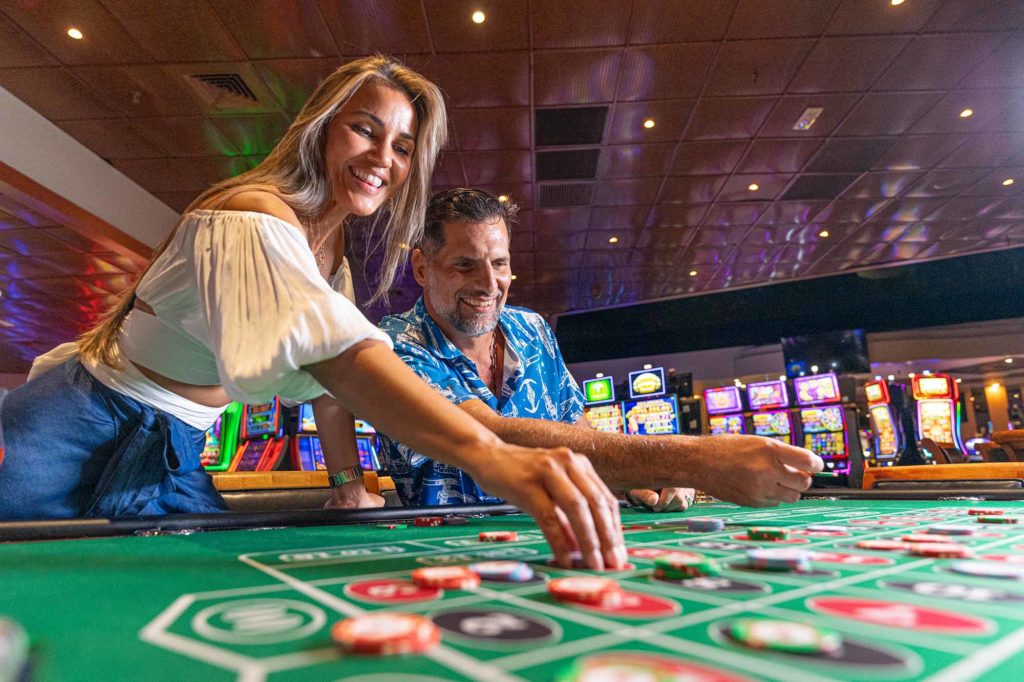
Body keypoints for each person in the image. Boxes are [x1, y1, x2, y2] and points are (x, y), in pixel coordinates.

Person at [0, 56, 626, 571]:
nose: (384, 157)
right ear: (321, 126)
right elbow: (346, 359)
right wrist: (493, 457)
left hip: (179, 446)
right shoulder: (250, 213)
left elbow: (331, 388)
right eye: (365, 129)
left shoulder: (330, 253)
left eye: (402, 145)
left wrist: (347, 481)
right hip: (75, 426)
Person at [378, 188, 825, 509]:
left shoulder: (532, 328)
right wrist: (693, 460)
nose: (489, 284)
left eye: (500, 264)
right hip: (444, 552)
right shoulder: (396, 342)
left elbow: (578, 426)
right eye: (464, 265)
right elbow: (491, 435)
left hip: (558, 533)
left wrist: (631, 481)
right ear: (421, 266)